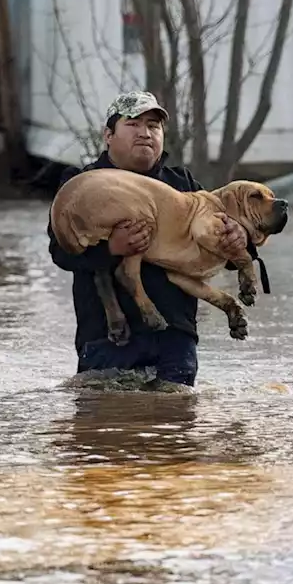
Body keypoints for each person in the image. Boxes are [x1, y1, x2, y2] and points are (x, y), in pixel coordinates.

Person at [47, 91, 249, 388]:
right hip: (107, 340)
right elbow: (60, 252)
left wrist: (239, 238)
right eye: (133, 124)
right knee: (104, 430)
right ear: (108, 135)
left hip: (175, 339)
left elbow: (220, 252)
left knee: (173, 428)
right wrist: (111, 248)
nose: (145, 133)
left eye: (153, 126)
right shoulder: (82, 183)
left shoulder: (184, 185)